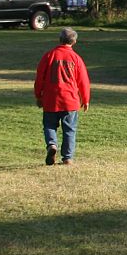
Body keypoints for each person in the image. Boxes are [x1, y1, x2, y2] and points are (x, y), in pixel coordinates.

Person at [34, 27, 91, 166]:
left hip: (50, 98)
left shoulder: (49, 55)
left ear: (60, 40)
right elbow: (83, 80)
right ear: (74, 41)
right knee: (69, 129)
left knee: (49, 125)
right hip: (70, 100)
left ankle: (52, 144)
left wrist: (38, 95)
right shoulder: (76, 58)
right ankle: (67, 158)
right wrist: (85, 98)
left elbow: (39, 77)